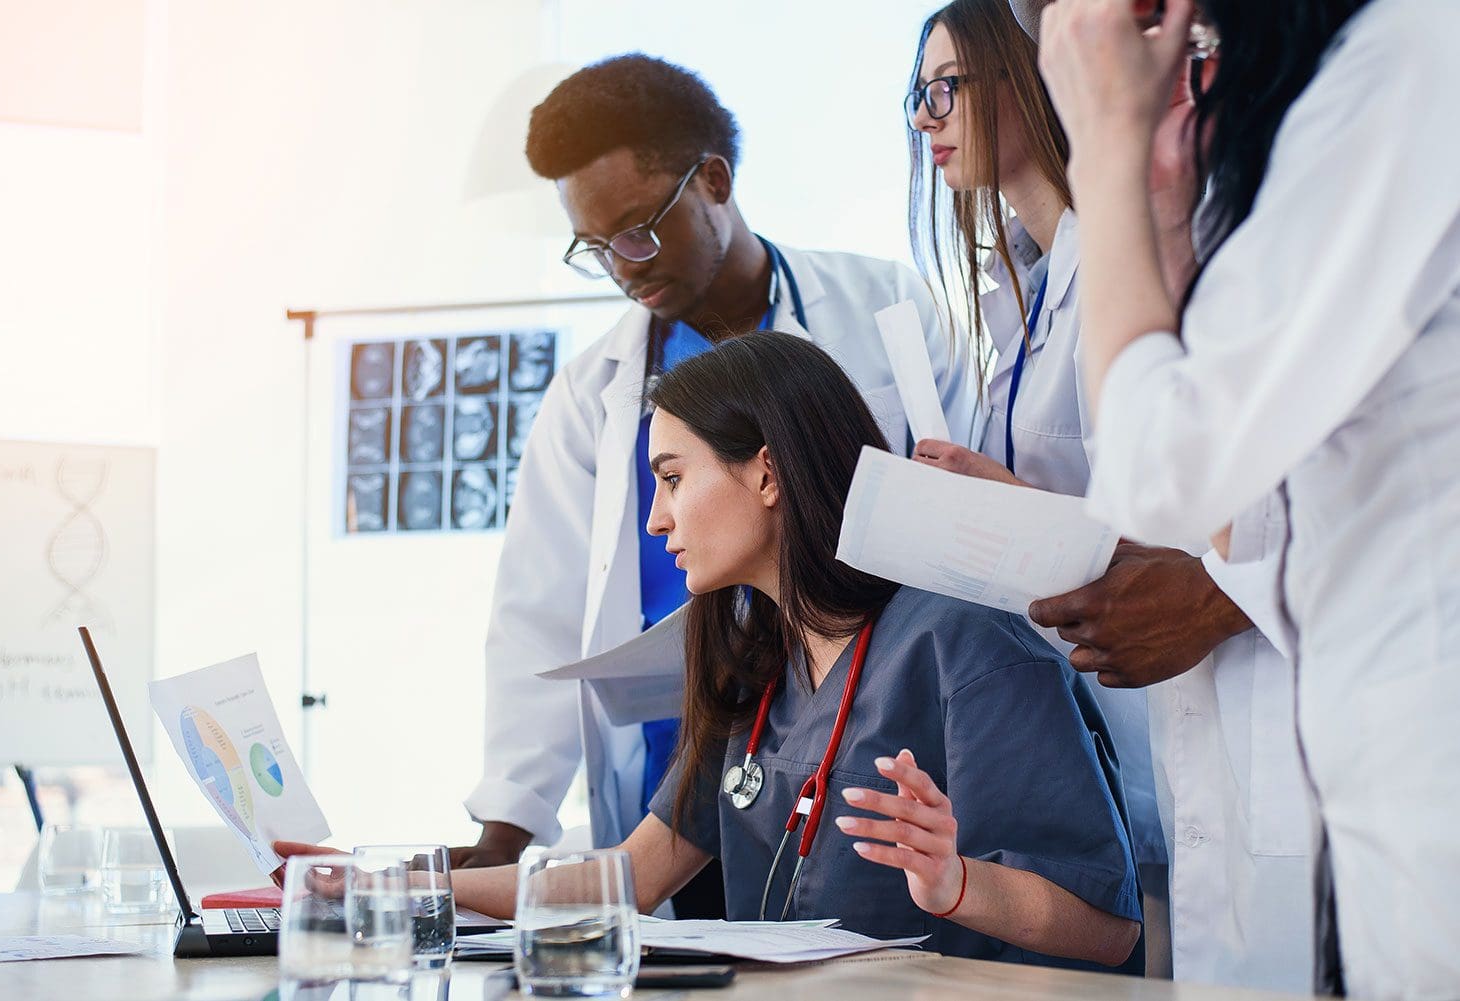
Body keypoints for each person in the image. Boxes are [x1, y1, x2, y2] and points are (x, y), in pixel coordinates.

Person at [287, 331, 1138, 967]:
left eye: (671, 477)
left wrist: (956, 884)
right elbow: (626, 876)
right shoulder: (757, 672)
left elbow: (1109, 925)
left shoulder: (963, 647)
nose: (656, 519)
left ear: (767, 475)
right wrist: (399, 881)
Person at [458, 55, 974, 919]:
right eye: (595, 247)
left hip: (861, 736)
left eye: (637, 230)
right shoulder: (595, 392)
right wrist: (504, 827)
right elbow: (535, 611)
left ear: (715, 179)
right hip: (688, 765)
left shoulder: (883, 306)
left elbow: (953, 512)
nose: (624, 267)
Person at [1037, 0, 1460, 996]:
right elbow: (1232, 488)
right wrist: (1170, 225)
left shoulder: (1403, 58)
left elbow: (1162, 473)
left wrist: (1101, 149)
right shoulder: (1360, 81)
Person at [902, 1, 1319, 990]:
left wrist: (1019, 513)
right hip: (1116, 738)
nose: (926, 119)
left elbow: (1171, 495)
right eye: (917, 96)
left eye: (945, 87)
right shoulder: (1017, 304)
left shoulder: (1171, 234)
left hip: (1228, 699)